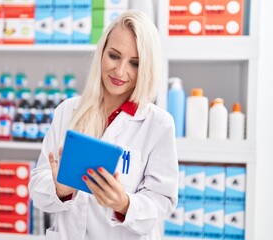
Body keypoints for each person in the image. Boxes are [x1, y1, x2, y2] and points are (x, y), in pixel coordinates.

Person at [29, 9, 179, 240]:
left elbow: (162, 202)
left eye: (135, 63)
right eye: (114, 56)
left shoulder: (158, 124)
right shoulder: (68, 111)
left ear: (147, 67)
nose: (120, 71)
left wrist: (124, 203)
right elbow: (38, 185)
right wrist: (60, 189)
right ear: (101, 53)